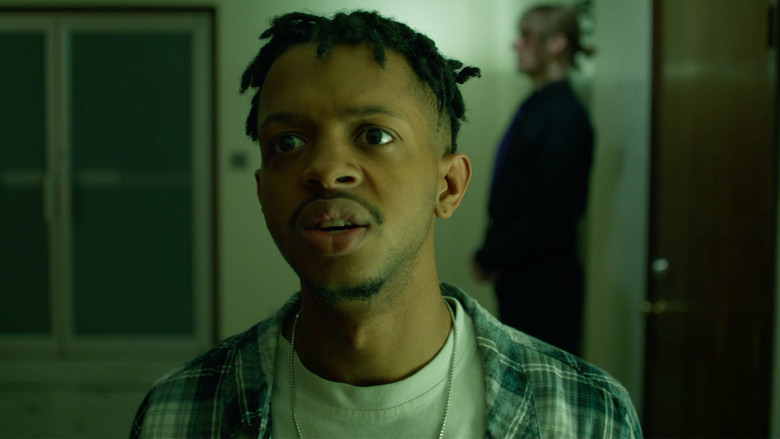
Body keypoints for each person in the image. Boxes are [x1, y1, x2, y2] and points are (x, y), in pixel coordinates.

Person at [130, 10, 640, 438]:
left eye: (374, 136)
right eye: (288, 142)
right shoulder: (176, 415)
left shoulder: (586, 416)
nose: (327, 170)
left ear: (448, 186)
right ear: (262, 193)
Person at [472, 4, 595, 356]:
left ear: (556, 44)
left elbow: (551, 211)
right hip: (524, 277)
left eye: (526, 35)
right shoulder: (540, 107)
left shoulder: (563, 116)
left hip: (544, 285)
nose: (516, 44)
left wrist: (493, 254)